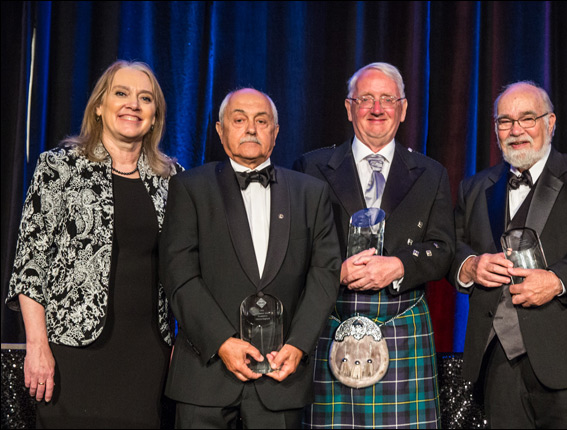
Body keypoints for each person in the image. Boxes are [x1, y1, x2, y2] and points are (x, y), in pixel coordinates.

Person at [5, 60, 180, 428]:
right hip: (70, 352)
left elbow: (183, 268)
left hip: (147, 355)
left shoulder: (171, 179)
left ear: (155, 116)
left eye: (145, 98)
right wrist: (37, 345)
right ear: (99, 106)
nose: (133, 104)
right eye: (121, 93)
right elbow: (31, 264)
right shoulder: (59, 167)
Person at [159, 88, 341, 428]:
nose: (251, 129)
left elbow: (325, 274)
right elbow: (178, 274)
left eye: (262, 121)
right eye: (239, 120)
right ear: (220, 130)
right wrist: (221, 341)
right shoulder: (189, 188)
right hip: (205, 374)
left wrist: (299, 345)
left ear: (276, 131)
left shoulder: (311, 193)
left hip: (281, 374)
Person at [450, 81, 567, 428]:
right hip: (499, 365)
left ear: (550, 122)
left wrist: (557, 281)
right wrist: (469, 265)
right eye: (505, 121)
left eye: (527, 118)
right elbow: (452, 247)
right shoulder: (474, 187)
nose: (516, 130)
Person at [293, 62, 454, 428]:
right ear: (349, 108)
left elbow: (444, 248)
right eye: (365, 99)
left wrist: (400, 265)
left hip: (402, 326)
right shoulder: (311, 167)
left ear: (403, 108)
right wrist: (334, 272)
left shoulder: (431, 173)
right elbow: (291, 249)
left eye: (387, 99)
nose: (377, 109)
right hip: (331, 320)